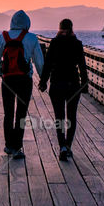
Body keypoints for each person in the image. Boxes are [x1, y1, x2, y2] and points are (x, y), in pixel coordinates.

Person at [0, 10, 44, 159]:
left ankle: (8, 145)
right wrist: (43, 78)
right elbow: (39, 62)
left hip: (8, 80)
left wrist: (0, 73)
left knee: (8, 113)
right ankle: (17, 147)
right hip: (24, 80)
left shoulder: (3, 37)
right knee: (21, 114)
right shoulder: (31, 38)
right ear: (27, 23)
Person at [38, 18, 88, 161]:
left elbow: (47, 64)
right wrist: (84, 84)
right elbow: (82, 67)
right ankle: (68, 146)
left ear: (59, 28)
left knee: (59, 117)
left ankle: (62, 147)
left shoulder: (54, 43)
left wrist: (43, 82)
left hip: (57, 84)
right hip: (73, 85)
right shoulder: (77, 44)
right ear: (72, 28)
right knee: (72, 116)